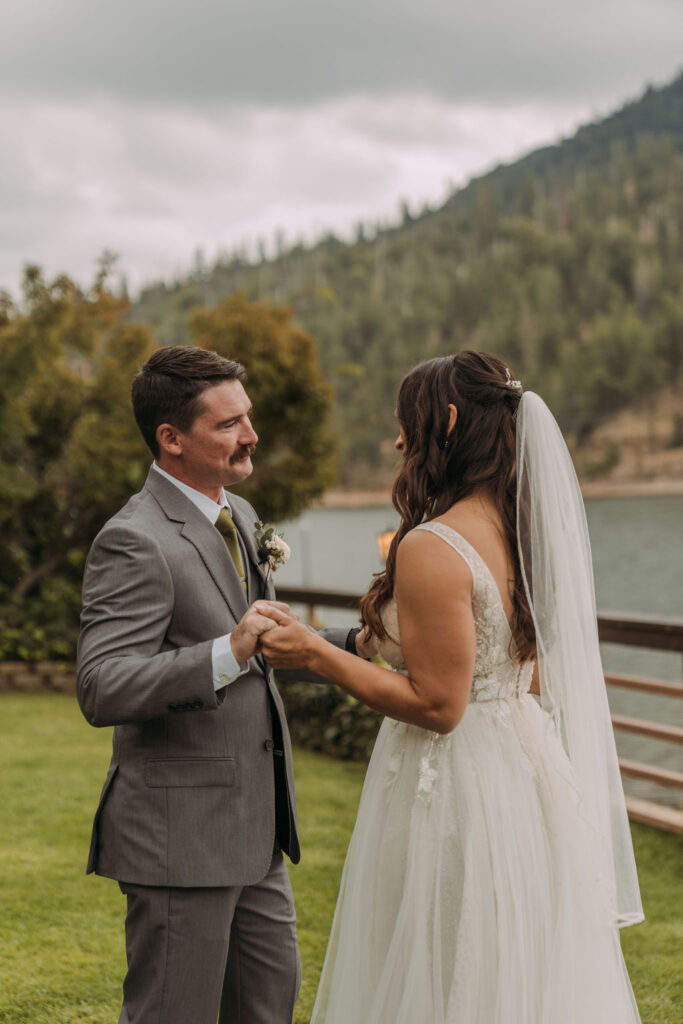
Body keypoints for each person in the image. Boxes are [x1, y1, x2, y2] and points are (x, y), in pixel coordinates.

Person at [259, 351, 644, 1024]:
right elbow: (526, 666)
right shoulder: (521, 531)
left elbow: (438, 705)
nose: (398, 440)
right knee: (511, 960)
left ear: (447, 419)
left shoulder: (434, 545)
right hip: (523, 774)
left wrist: (316, 653)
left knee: (442, 960)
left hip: (458, 783)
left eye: (405, 421)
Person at [76, 345, 352, 1024]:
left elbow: (264, 646)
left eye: (246, 418)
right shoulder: (134, 541)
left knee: (267, 1009)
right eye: (228, 424)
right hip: (180, 841)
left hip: (257, 833)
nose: (251, 435)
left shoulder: (242, 516)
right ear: (171, 439)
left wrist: (357, 643)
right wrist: (226, 650)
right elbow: (102, 685)